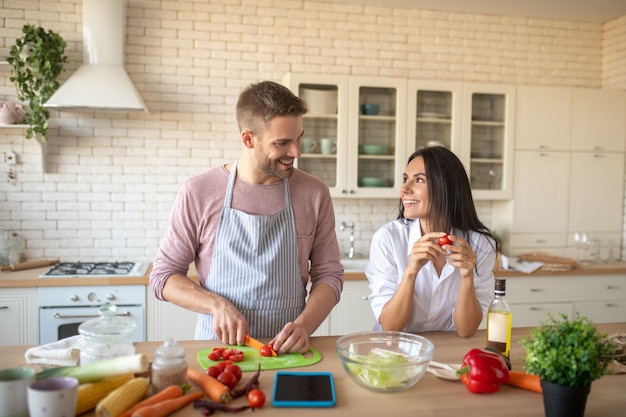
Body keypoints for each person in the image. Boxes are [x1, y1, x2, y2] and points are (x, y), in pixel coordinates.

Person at [149, 81, 344, 354]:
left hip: (289, 353)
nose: (296, 152)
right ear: (248, 139)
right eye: (282, 143)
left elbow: (330, 275)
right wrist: (216, 305)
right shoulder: (199, 191)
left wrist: (305, 326)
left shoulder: (313, 193)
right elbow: (163, 277)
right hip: (219, 352)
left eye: (298, 138)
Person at [366, 146, 497, 338]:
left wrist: (467, 275)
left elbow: (466, 330)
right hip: (395, 350)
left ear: (446, 187)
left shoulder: (481, 245)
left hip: (450, 350)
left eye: (419, 180)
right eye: (405, 179)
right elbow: (390, 327)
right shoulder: (388, 239)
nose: (404, 189)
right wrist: (411, 271)